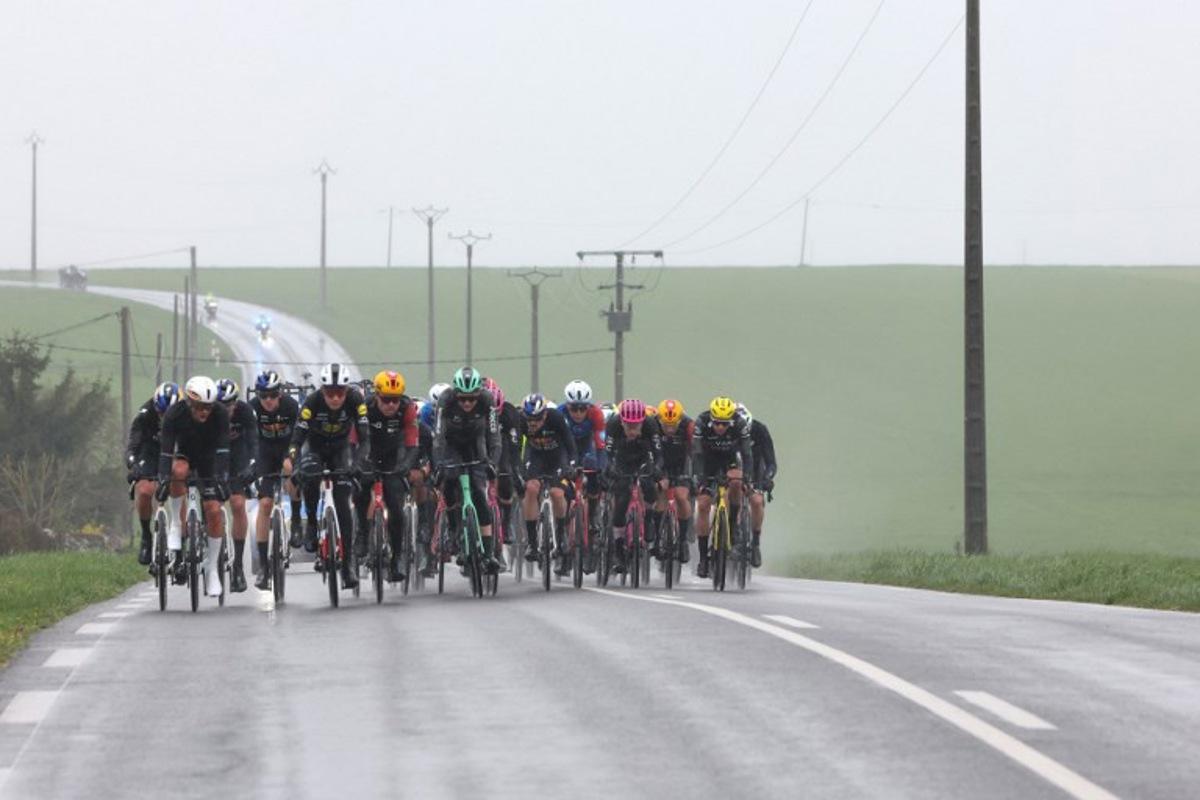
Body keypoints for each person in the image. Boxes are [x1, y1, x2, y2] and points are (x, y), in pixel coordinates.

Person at [285, 362, 370, 590]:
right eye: (330, 393)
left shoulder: (356, 400)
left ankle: (349, 563)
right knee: (310, 479)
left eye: (339, 393)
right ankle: (311, 523)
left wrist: (359, 463)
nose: (335, 398)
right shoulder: (312, 402)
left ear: (346, 391)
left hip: (341, 448)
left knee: (343, 500)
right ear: (322, 391)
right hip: (314, 446)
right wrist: (294, 462)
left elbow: (365, 438)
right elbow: (297, 437)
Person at [156, 376, 231, 596]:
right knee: (177, 472)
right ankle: (177, 526)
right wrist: (162, 479)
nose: (204, 412)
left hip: (209, 461)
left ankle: (212, 570)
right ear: (189, 402)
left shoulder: (220, 414)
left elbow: (224, 450)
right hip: (185, 455)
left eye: (208, 407)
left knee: (214, 510)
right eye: (199, 407)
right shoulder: (174, 414)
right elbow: (166, 452)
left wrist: (223, 479)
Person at [432, 367, 501, 572]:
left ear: (479, 394)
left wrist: (493, 463)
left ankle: (488, 554)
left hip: (475, 445)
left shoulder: (487, 400)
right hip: (451, 445)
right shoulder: (446, 400)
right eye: (463, 399)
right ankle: (455, 532)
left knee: (479, 496)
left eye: (472, 399)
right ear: (456, 395)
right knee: (450, 483)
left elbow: (494, 435)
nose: (467, 403)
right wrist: (438, 464)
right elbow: (438, 437)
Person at [353, 370, 420, 582]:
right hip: (369, 453)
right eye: (386, 400)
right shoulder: (366, 408)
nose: (391, 405)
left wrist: (406, 466)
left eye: (395, 400)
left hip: (394, 457)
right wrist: (357, 464)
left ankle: (397, 558)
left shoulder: (407, 409)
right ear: (377, 396)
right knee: (361, 490)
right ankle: (363, 533)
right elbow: (354, 440)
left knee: (395, 505)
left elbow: (412, 443)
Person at [250, 370, 302, 591]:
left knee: (290, 470)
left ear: (280, 394)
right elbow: (249, 440)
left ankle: (297, 522)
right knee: (265, 504)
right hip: (263, 454)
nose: (268, 401)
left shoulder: (290, 406)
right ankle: (263, 565)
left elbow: (300, 435)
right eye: (264, 396)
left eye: (273, 395)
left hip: (286, 449)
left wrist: (292, 455)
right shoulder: (252, 408)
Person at [691, 396, 753, 579]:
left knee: (736, 483)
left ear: (731, 421)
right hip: (707, 461)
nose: (720, 428)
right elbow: (696, 453)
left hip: (730, 460)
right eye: (717, 423)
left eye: (725, 424)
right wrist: (699, 479)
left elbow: (747, 453)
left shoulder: (740, 424)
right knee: (702, 505)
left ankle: (732, 526)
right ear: (711, 419)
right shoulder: (701, 422)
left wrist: (747, 477)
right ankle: (703, 558)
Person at [517, 392, 577, 574]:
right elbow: (516, 447)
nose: (533, 423)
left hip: (557, 458)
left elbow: (570, 444)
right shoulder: (521, 421)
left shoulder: (556, 418)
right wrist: (517, 469)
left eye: (537, 419)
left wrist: (572, 465)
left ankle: (560, 535)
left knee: (557, 493)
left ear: (545, 414)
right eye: (529, 419)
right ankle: (533, 543)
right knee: (531, 489)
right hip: (535, 457)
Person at [603, 399, 663, 574]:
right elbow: (607, 454)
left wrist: (657, 469)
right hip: (622, 459)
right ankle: (619, 546)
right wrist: (610, 469)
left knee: (649, 487)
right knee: (621, 498)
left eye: (636, 426)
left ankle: (649, 519)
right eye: (628, 426)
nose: (631, 430)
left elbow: (659, 453)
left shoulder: (651, 425)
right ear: (621, 421)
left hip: (643, 457)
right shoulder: (613, 425)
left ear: (642, 422)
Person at [127, 382, 179, 565]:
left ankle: (182, 535)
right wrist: (132, 463)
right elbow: (134, 443)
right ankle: (146, 538)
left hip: (175, 452)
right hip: (150, 452)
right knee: (144, 490)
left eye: (167, 414)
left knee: (181, 484)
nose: (163, 417)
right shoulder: (145, 414)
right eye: (160, 412)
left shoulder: (186, 415)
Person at [216, 379, 257, 593]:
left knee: (238, 505)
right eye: (222, 406)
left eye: (230, 405)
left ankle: (238, 566)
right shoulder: (208, 414)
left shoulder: (245, 412)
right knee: (210, 505)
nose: (227, 410)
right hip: (214, 458)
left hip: (237, 458)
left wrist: (251, 466)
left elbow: (254, 443)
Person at [559, 379, 607, 540]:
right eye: (574, 408)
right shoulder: (560, 414)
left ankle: (592, 516)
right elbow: (557, 446)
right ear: (567, 406)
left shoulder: (596, 414)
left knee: (594, 476)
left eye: (582, 408)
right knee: (564, 486)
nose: (578, 413)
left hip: (587, 447)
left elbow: (601, 446)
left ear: (589, 407)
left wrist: (602, 469)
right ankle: (563, 522)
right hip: (566, 448)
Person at [484, 377, 520, 571]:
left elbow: (514, 446)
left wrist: (515, 471)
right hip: (481, 446)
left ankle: (506, 521)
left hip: (502, 447)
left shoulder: (509, 413)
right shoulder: (476, 409)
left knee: (506, 477)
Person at [654, 398, 694, 563]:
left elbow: (695, 453)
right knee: (660, 495)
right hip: (661, 464)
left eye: (673, 425)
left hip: (681, 466)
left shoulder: (688, 426)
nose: (669, 429)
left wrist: (694, 475)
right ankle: (657, 538)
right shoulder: (653, 425)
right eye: (666, 425)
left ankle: (683, 540)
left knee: (681, 496)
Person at [737, 404, 776, 568]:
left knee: (757, 502)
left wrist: (767, 478)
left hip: (755, 471)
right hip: (735, 470)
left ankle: (755, 544)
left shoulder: (760, 430)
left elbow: (771, 463)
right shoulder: (728, 430)